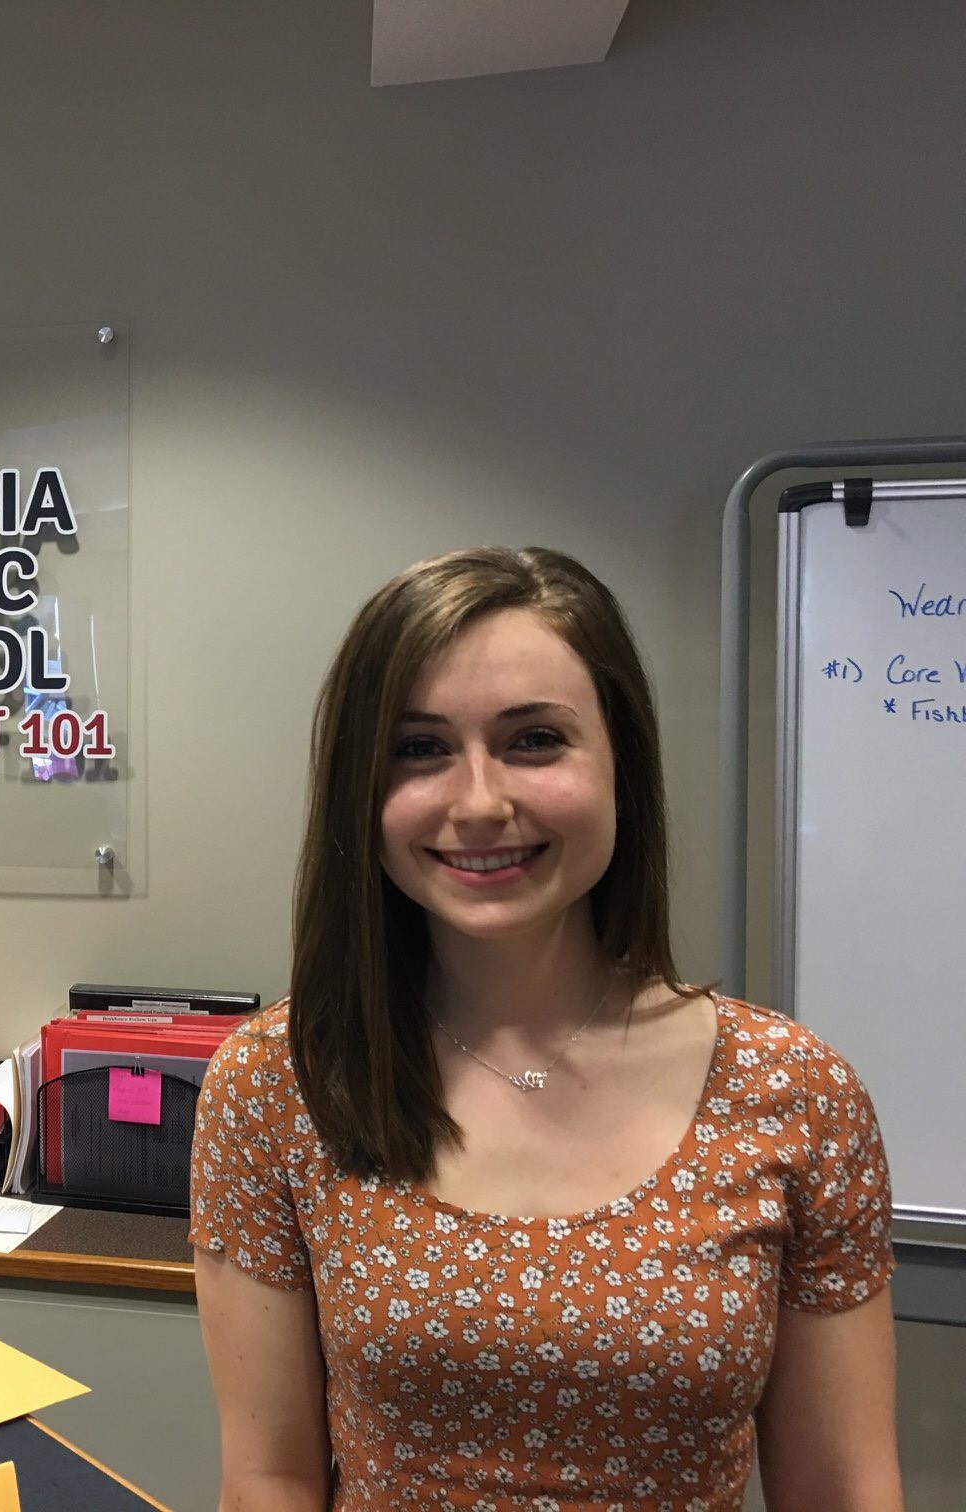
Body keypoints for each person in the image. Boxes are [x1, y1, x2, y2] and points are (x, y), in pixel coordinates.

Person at [189, 547, 900, 1511]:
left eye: (534, 740)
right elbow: (269, 1480)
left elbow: (844, 1488)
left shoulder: (794, 1092)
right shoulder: (283, 1082)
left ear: (621, 766)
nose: (481, 802)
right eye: (420, 748)